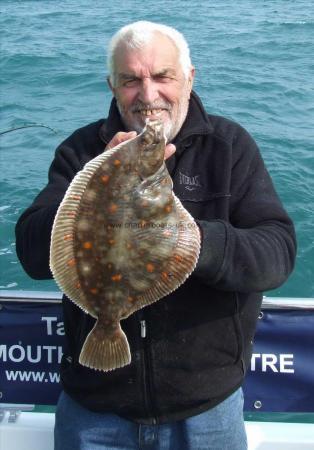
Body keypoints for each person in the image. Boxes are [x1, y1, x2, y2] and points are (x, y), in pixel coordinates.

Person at [15, 21, 296, 450]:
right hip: (94, 412)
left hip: (206, 411)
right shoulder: (82, 152)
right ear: (113, 85)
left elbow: (276, 254)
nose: (148, 96)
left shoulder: (230, 148)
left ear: (188, 78)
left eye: (162, 76)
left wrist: (190, 241)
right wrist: (98, 184)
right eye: (131, 80)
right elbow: (32, 254)